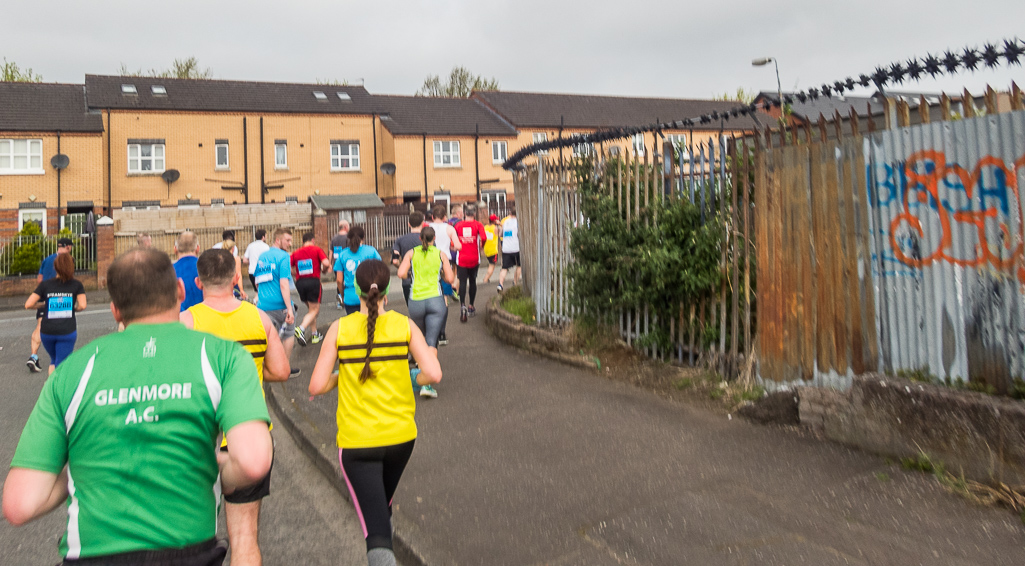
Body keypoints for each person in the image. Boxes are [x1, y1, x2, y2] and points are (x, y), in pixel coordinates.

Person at [3, 248, 272, 565]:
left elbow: (21, 503)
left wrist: (87, 463)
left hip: (92, 555)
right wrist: (213, 465)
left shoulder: (70, 373)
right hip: (187, 551)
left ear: (116, 310)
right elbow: (253, 462)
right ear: (181, 291)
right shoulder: (224, 357)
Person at [308, 259, 441, 566]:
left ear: (355, 290)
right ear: (387, 291)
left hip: (357, 444)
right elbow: (433, 374)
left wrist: (344, 375)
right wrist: (412, 377)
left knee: (376, 532)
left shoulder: (339, 329)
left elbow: (315, 386)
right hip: (401, 440)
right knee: (382, 506)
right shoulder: (403, 325)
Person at [181, 249, 289, 566]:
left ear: (199, 282)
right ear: (236, 278)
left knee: (184, 541)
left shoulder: (185, 323)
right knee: (244, 538)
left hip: (195, 439)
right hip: (244, 438)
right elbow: (281, 371)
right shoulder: (259, 318)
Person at [397, 226, 453, 399]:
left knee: (419, 341)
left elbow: (400, 273)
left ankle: (420, 377)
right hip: (436, 301)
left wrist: (411, 276)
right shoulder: (441, 254)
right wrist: (442, 275)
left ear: (420, 238)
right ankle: (427, 384)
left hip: (416, 301)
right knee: (431, 341)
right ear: (434, 238)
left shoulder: (411, 253)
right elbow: (450, 279)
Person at [24, 253, 87, 375]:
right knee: (62, 364)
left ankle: (51, 388)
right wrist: (73, 309)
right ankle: (55, 391)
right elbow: (82, 305)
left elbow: (28, 304)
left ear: (55, 267)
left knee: (54, 360)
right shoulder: (76, 285)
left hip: (47, 332)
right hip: (66, 331)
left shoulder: (45, 285)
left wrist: (43, 305)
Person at [255, 228, 300, 377]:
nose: (290, 243)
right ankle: (284, 368)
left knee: (268, 337)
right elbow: (284, 284)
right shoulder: (283, 257)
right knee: (288, 334)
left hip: (263, 305)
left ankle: (266, 367)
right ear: (277, 240)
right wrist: (289, 309)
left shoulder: (262, 257)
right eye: (287, 240)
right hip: (280, 305)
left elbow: (257, 282)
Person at [27, 237, 73, 372]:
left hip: (44, 297)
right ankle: (60, 358)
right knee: (63, 328)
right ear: (68, 247)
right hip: (61, 298)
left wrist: (43, 291)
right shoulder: (68, 261)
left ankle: (33, 356)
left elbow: (39, 279)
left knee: (40, 325)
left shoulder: (47, 260)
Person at [427, 206, 461, 345]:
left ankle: (431, 332)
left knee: (431, 293)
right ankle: (442, 333)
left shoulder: (427, 227)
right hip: (445, 261)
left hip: (430, 260)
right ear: (445, 217)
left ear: (432, 216)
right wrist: (451, 247)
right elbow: (458, 246)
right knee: (444, 297)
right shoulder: (449, 228)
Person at [291, 231, 331, 346]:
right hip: (313, 281)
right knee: (315, 310)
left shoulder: (296, 252)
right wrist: (323, 270)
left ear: (303, 241)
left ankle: (314, 334)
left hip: (300, 283)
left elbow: (288, 265)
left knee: (311, 310)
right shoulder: (316, 249)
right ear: (313, 240)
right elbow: (326, 262)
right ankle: (301, 328)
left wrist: (294, 273)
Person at [337, 226, 381, 316]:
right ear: (363, 238)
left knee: (354, 327)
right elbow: (380, 273)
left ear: (348, 238)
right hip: (370, 295)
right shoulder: (371, 251)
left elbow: (339, 280)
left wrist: (343, 295)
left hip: (350, 296)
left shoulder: (342, 254)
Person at [454, 205, 486, 322]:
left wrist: (455, 246)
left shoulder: (458, 225)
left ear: (464, 213)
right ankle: (471, 306)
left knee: (462, 282)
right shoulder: (478, 225)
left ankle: (462, 305)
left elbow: (453, 240)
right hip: (474, 257)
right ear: (474, 214)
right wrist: (481, 247)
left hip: (461, 257)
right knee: (472, 281)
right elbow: (483, 237)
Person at [390, 211, 425, 306]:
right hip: (424, 280)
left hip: (407, 280)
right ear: (422, 223)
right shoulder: (426, 240)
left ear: (408, 224)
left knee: (412, 310)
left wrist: (402, 267)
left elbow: (395, 260)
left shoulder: (400, 240)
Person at [174, 231, 203, 311]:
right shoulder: (206, 268)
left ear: (175, 249)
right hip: (204, 318)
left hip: (179, 319)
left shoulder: (169, 271)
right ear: (197, 248)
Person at [497, 209, 521, 292]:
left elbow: (500, 234)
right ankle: (515, 282)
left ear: (510, 213)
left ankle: (500, 284)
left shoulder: (505, 222)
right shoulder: (518, 222)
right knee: (519, 266)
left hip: (506, 248)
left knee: (504, 268)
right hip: (516, 247)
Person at [243, 229, 271, 295]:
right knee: (263, 292)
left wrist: (252, 260)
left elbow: (244, 260)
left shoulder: (250, 246)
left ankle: (256, 302)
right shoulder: (266, 247)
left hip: (252, 272)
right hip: (262, 272)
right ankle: (257, 302)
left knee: (257, 291)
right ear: (263, 237)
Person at [331, 220, 350, 309]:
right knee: (347, 281)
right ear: (346, 227)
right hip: (346, 263)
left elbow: (331, 252)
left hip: (336, 264)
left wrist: (330, 264)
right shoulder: (348, 238)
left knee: (339, 281)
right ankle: (346, 299)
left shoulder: (334, 238)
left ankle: (340, 300)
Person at [482, 214, 500, 284]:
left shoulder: (485, 227)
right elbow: (500, 233)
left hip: (486, 249)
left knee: (491, 264)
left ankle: (486, 279)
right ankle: (486, 279)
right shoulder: (495, 228)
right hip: (493, 250)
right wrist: (499, 224)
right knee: (492, 265)